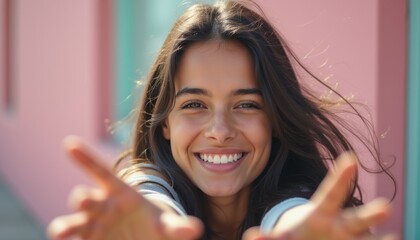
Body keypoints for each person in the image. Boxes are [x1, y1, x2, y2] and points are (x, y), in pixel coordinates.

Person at [47, 1, 396, 239]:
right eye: (194, 104)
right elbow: (151, 194)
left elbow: (290, 210)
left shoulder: (302, 199)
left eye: (246, 105)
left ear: (274, 118)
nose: (219, 131)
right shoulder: (149, 183)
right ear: (165, 122)